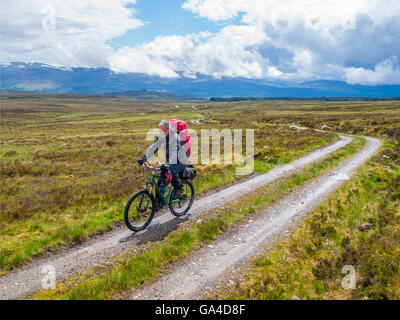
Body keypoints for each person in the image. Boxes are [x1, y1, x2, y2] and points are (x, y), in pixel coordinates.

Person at [137, 119, 188, 201]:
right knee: (161, 180)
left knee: (171, 172)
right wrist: (143, 158)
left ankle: (179, 188)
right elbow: (153, 148)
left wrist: (168, 164)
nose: (161, 132)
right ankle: (158, 203)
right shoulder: (161, 136)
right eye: (160, 130)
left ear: (169, 130)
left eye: (163, 130)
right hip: (170, 160)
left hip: (180, 160)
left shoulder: (175, 137)